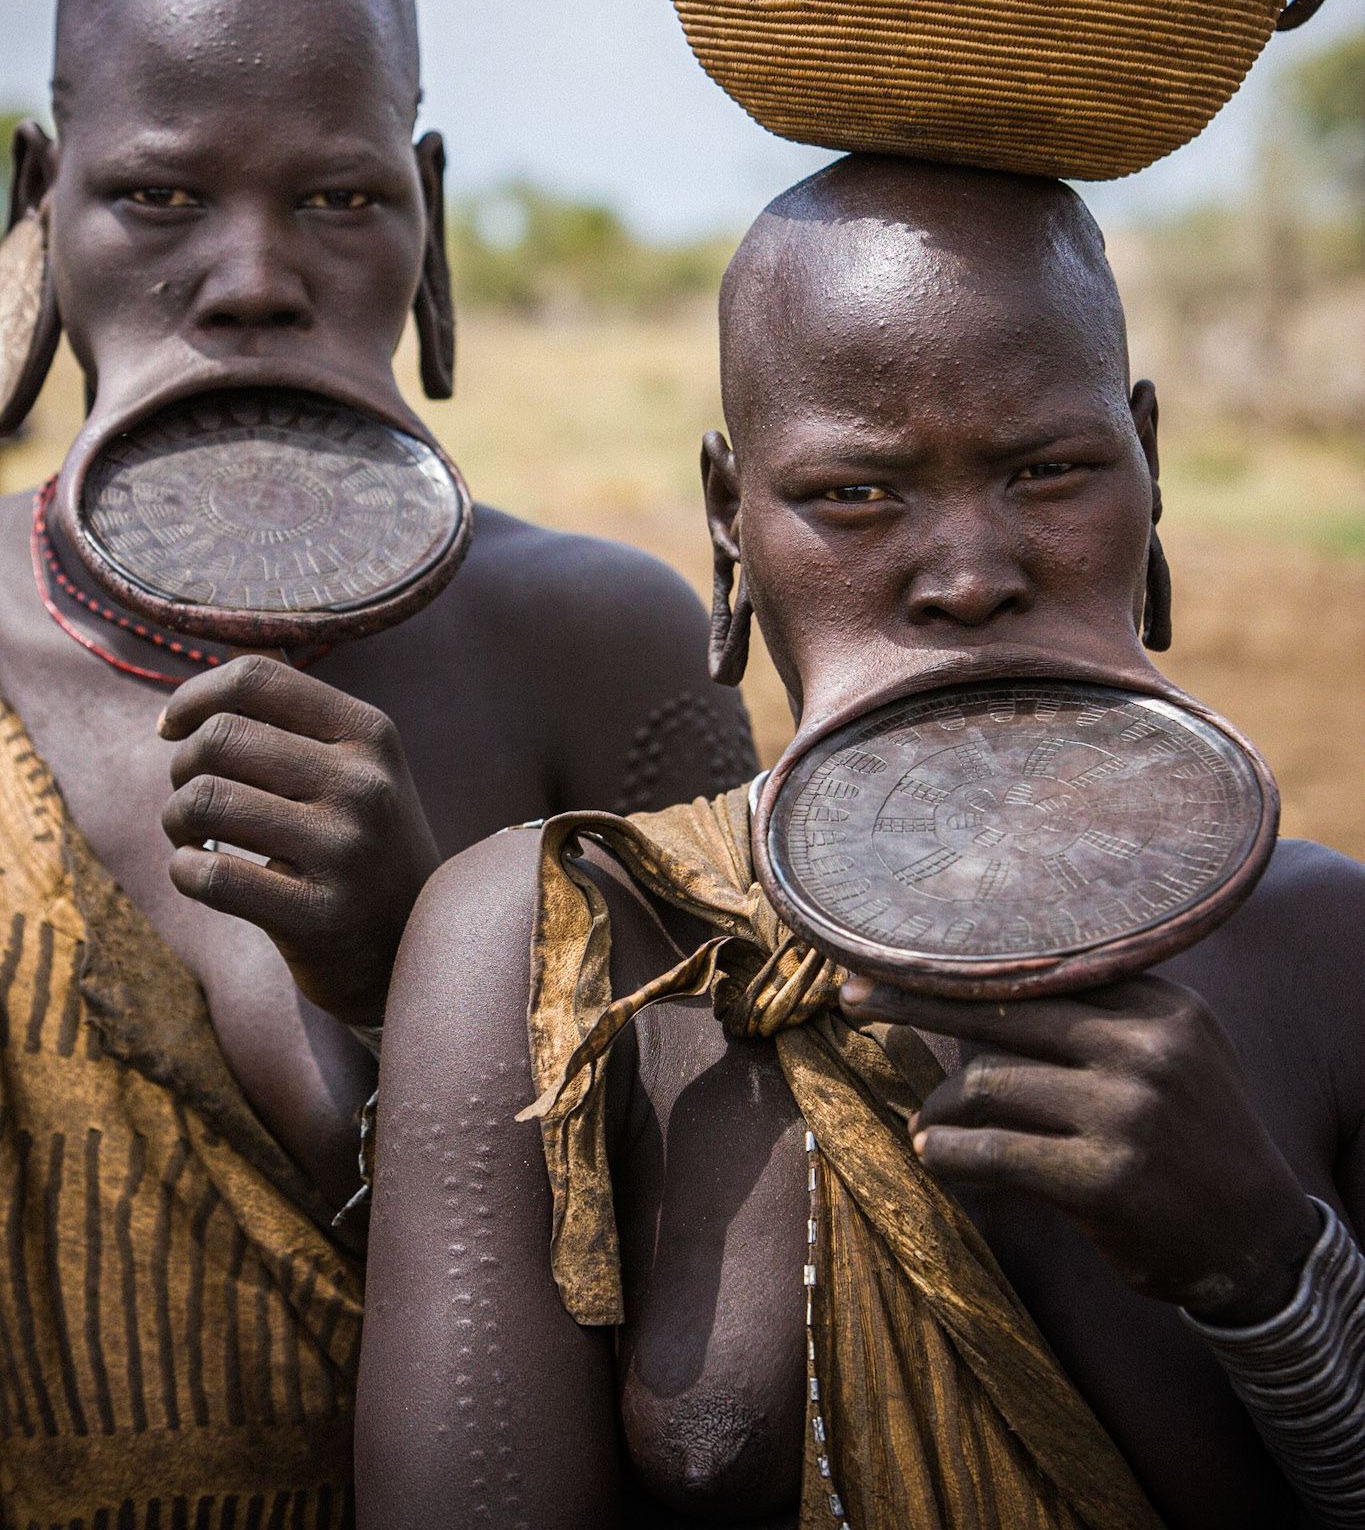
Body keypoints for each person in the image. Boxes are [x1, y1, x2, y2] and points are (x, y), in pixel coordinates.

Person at [357, 156, 1364, 1530]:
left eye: (1049, 471)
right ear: (728, 517)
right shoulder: (559, 956)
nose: (966, 573)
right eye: (853, 495)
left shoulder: (1327, 953)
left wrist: (1266, 1265)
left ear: (1148, 466)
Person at [0, 0, 754, 1527]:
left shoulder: (596, 648)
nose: (255, 278)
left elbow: (735, 1381)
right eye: (157, 197)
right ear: (41, 204)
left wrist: (425, 971)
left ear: (423, 214)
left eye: (339, 202)